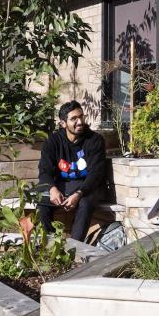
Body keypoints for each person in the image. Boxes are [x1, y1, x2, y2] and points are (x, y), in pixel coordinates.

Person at [37, 100, 106, 241]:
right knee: (41, 203)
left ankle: (75, 248)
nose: (80, 122)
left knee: (85, 203)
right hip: (62, 187)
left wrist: (79, 194)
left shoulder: (94, 140)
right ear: (63, 123)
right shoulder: (53, 142)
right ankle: (49, 244)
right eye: (74, 119)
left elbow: (96, 174)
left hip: (87, 188)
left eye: (81, 117)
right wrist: (52, 189)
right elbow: (44, 171)